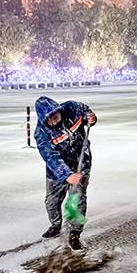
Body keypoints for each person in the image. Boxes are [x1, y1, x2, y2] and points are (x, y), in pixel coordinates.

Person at [34, 95, 97, 250]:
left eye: (56, 116)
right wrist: (67, 175)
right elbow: (50, 157)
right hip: (57, 170)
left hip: (80, 163)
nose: (54, 121)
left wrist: (91, 118)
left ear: (59, 110)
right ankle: (55, 225)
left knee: (77, 199)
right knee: (52, 201)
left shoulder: (72, 108)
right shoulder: (41, 133)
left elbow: (87, 112)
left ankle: (75, 232)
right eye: (50, 119)